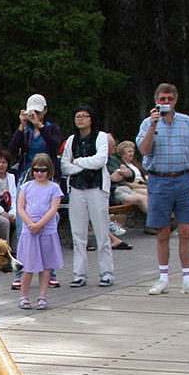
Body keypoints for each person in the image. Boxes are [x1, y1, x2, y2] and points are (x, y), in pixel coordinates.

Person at [136, 83, 189, 295]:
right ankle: (163, 278)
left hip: (184, 180)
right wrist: (152, 126)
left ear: (175, 100)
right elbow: (144, 150)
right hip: (159, 180)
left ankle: (187, 278)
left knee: (186, 231)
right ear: (156, 101)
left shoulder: (187, 122)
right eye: (162, 99)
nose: (165, 103)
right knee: (163, 232)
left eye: (169, 99)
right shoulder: (148, 123)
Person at [9, 93, 62, 288]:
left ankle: (50, 270)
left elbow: (55, 144)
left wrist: (39, 125)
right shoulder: (25, 131)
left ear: (45, 111)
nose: (34, 116)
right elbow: (12, 149)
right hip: (28, 177)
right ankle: (22, 270)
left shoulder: (51, 128)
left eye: (38, 112)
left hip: (48, 178)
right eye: (32, 112)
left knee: (50, 222)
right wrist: (22, 126)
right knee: (25, 227)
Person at [61, 105, 113, 287]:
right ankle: (79, 274)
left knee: (102, 232)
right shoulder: (71, 140)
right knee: (78, 233)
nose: (80, 119)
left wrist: (79, 162)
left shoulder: (101, 137)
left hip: (96, 188)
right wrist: (79, 166)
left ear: (91, 119)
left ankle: (106, 272)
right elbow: (65, 166)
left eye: (84, 116)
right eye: (78, 116)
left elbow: (100, 160)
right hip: (77, 189)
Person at [15, 153, 63, 310]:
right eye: (36, 170)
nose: (39, 173)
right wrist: (30, 224)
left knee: (46, 267)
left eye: (43, 170)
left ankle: (42, 297)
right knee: (28, 266)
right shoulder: (26, 187)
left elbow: (53, 209)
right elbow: (20, 208)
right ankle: (24, 296)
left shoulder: (54, 188)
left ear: (49, 171)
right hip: (30, 231)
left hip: (47, 231)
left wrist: (41, 224)